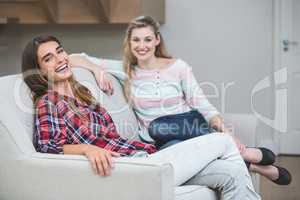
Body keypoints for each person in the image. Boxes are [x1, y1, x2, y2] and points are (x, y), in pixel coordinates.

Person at [22, 35, 261, 200]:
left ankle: (243, 159)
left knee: (234, 172)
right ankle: (248, 154)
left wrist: (95, 69)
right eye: (48, 58)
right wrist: (86, 149)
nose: (60, 58)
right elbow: (46, 147)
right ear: (38, 70)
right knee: (221, 140)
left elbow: (77, 59)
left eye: (60, 51)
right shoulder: (49, 101)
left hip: (144, 156)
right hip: (132, 168)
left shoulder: (83, 94)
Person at [69, 16, 291, 185]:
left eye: (147, 39)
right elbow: (73, 57)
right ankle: (254, 164)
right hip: (161, 138)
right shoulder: (126, 70)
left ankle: (231, 147)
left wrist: (229, 135)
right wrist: (96, 69)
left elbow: (203, 104)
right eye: (136, 39)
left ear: (157, 40)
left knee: (161, 126)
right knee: (165, 142)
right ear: (130, 42)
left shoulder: (178, 67)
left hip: (190, 124)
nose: (142, 45)